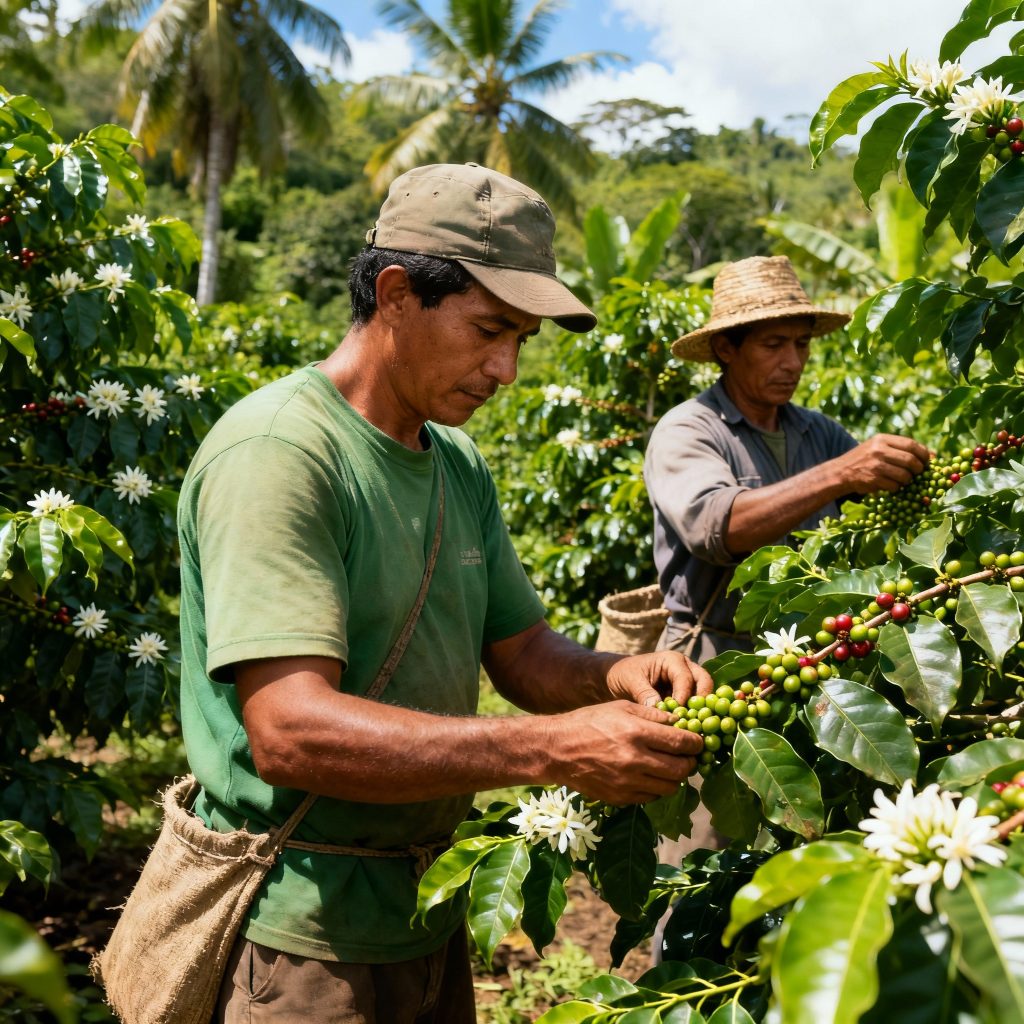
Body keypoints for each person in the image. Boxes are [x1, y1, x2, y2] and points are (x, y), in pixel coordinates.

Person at [176, 162, 714, 1024]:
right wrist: (551, 751)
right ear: (395, 294)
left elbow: (525, 653)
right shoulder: (281, 454)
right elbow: (288, 731)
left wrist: (615, 676)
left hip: (425, 912)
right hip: (302, 940)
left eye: (521, 342)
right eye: (487, 330)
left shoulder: (453, 461)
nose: (505, 369)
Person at [642, 255, 930, 959]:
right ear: (726, 348)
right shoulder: (690, 430)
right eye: (774, 343)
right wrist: (842, 473)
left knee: (801, 833)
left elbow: (873, 501)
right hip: (712, 667)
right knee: (702, 855)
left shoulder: (814, 431)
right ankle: (678, 983)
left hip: (809, 667)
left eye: (801, 343)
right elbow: (718, 527)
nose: (794, 360)